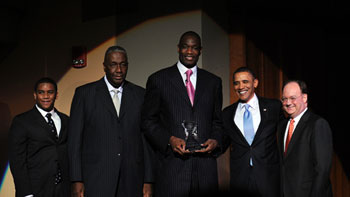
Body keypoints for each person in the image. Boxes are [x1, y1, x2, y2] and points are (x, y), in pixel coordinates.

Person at [141, 31, 223, 196]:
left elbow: (218, 122)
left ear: (200, 50)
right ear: (178, 48)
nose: (189, 52)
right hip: (173, 171)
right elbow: (148, 121)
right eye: (185, 47)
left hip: (205, 172)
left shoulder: (213, 82)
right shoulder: (158, 80)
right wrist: (169, 140)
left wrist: (215, 140)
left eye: (194, 48)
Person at [68, 46, 153, 197]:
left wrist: (148, 180)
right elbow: (75, 141)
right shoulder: (85, 94)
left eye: (123, 64)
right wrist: (76, 180)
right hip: (96, 179)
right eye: (113, 64)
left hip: (132, 179)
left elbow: (145, 140)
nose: (119, 70)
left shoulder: (140, 95)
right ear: (105, 66)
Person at [222, 67, 283, 197]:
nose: (240, 86)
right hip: (241, 180)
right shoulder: (227, 114)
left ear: (255, 83)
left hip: (269, 178)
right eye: (236, 83)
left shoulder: (273, 107)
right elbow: (221, 142)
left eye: (245, 82)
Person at [8, 77, 70, 197]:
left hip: (63, 189)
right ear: (35, 95)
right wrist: (26, 193)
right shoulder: (22, 121)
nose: (46, 96)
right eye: (41, 92)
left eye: (50, 92)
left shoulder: (65, 120)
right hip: (35, 190)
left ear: (56, 95)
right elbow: (17, 161)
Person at [277, 80, 333, 197]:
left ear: (304, 98)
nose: (288, 103)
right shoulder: (282, 126)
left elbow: (322, 170)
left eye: (292, 98)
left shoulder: (317, 124)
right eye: (284, 99)